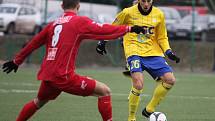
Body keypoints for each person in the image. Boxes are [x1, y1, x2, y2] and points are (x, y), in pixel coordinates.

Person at [1, 0, 144, 121]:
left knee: (38, 102)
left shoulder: (53, 24)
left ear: (62, 6)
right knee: (105, 91)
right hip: (63, 76)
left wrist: (16, 61)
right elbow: (103, 29)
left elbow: (34, 43)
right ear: (78, 6)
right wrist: (129, 28)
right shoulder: (78, 22)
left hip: (49, 75)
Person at [96, 0, 180, 121]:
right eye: (143, 1)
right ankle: (131, 118)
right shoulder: (127, 12)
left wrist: (168, 52)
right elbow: (114, 26)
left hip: (153, 53)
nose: (146, 4)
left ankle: (149, 109)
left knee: (170, 80)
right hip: (134, 51)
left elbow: (162, 37)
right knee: (138, 84)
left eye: (148, 1)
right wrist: (103, 41)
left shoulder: (159, 14)